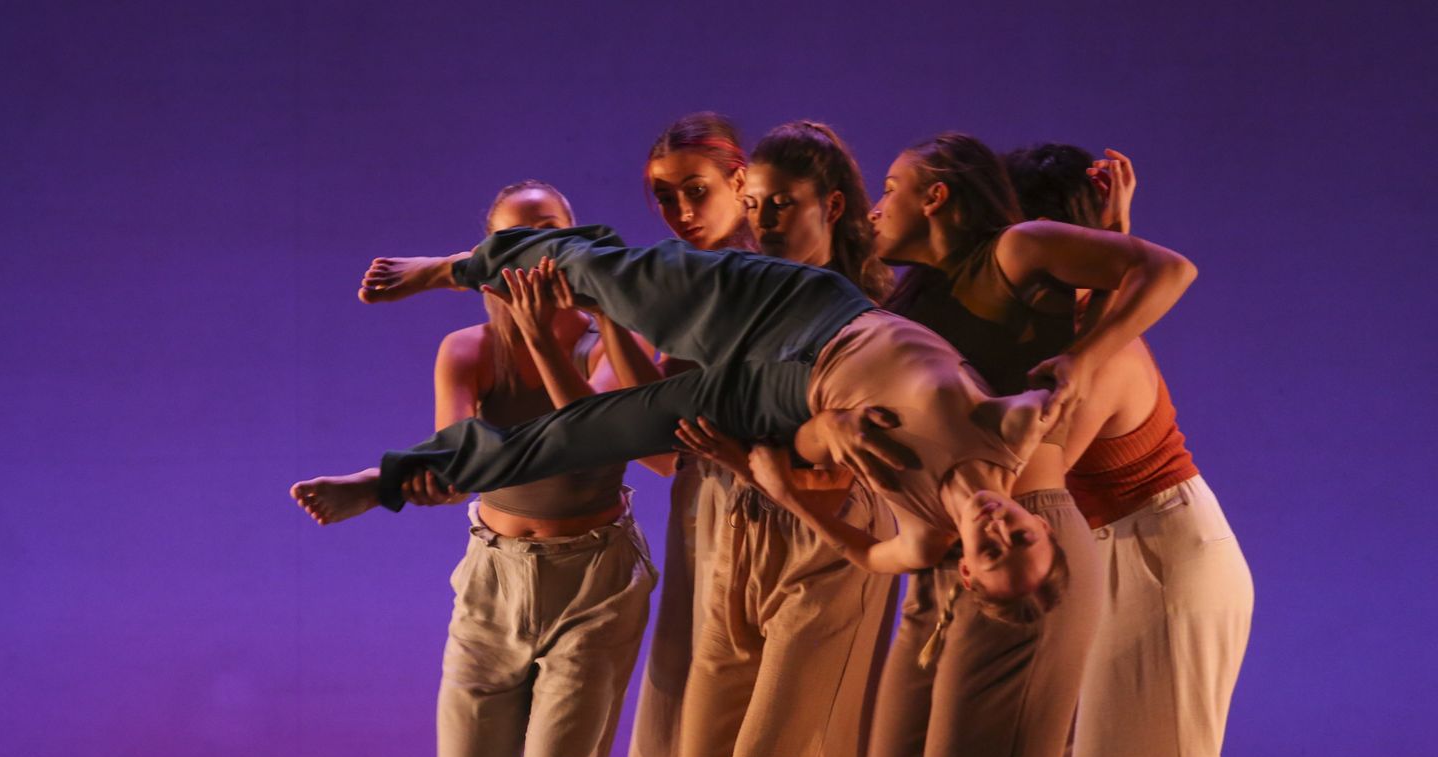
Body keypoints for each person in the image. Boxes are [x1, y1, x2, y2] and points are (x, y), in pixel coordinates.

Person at [750, 131, 1196, 757]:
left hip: (1020, 530)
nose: (879, 201)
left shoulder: (1016, 249)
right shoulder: (909, 299)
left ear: (942, 195)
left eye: (897, 184)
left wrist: (1090, 346)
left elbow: (1164, 269)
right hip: (937, 552)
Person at [290, 220, 1085, 606]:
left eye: (995, 548)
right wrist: (1081, 350)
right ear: (1043, 524)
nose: (999, 525)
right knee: (620, 279)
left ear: (971, 569)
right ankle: (460, 266)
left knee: (576, 439)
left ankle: (388, 479)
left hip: (777, 400)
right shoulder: (1012, 434)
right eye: (1023, 533)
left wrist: (768, 477)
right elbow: (1088, 352)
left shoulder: (920, 540)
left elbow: (866, 556)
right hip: (809, 316)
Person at [630, 120, 909, 757]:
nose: (760, 220)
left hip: (828, 545)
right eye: (753, 205)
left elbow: (855, 462)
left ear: (832, 206)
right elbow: (662, 433)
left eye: (776, 204)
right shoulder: (733, 299)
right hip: (732, 530)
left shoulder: (868, 311)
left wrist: (759, 455)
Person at [379, 181, 657, 757]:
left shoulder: (617, 336)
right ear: (486, 254)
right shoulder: (467, 346)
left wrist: (545, 340)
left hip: (595, 579)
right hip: (494, 577)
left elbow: (604, 433)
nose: (531, 253)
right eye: (512, 238)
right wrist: (423, 479)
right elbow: (458, 451)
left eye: (547, 236)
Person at [1006, 142, 1252, 757]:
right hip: (1133, 553)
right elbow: (1113, 284)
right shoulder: (1086, 326)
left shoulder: (1091, 353)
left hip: (1165, 555)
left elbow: (1033, 478)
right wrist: (1114, 233)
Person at [625, 113, 752, 757]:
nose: (678, 211)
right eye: (663, 196)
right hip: (697, 506)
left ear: (743, 184)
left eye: (695, 191)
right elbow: (660, 446)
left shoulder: (768, 283)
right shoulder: (675, 285)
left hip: (761, 512)